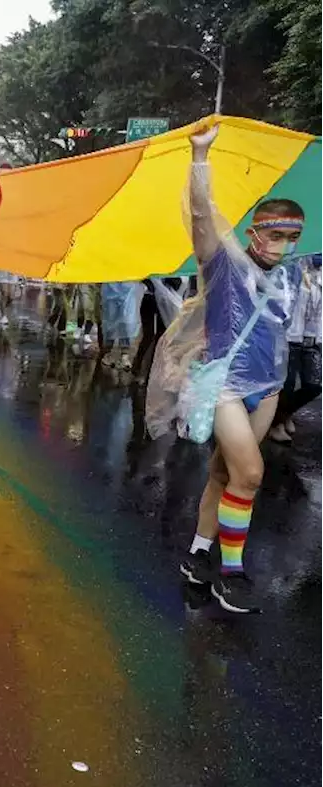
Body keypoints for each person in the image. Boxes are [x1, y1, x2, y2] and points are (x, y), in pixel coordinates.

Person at [152, 123, 302, 614]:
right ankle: (230, 574)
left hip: (269, 387)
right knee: (252, 474)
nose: (281, 245)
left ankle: (198, 555)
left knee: (225, 472)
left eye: (292, 236)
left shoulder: (293, 274)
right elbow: (200, 216)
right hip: (224, 386)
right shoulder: (224, 264)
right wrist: (200, 159)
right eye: (274, 234)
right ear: (255, 231)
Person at [268, 254, 323, 444]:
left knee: (315, 384)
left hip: (313, 338)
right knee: (287, 385)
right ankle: (276, 424)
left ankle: (283, 413)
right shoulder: (291, 270)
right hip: (289, 337)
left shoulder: (319, 276)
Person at [99, 280, 143, 371]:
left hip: (128, 288)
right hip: (110, 288)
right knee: (110, 323)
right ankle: (108, 353)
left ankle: (124, 355)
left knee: (125, 322)